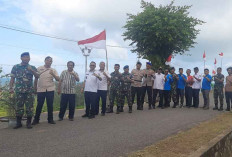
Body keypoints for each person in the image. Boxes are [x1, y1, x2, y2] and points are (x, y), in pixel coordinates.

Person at [9, 52, 39, 129]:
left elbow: (37, 76)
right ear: (21, 58)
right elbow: (12, 78)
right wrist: (11, 88)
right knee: (19, 107)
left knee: (30, 107)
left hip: (29, 91)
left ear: (29, 58)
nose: (26, 58)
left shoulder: (32, 67)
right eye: (24, 57)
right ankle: (18, 123)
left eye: (28, 57)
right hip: (19, 91)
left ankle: (28, 123)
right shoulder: (16, 67)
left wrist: (31, 70)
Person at [32, 56, 59, 125]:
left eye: (50, 61)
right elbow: (36, 78)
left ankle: (50, 119)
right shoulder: (39, 68)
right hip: (41, 89)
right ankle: (36, 120)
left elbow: (58, 79)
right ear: (45, 60)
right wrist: (35, 88)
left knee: (50, 105)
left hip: (50, 89)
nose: (49, 62)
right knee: (39, 105)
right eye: (48, 60)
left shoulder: (53, 70)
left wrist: (52, 74)